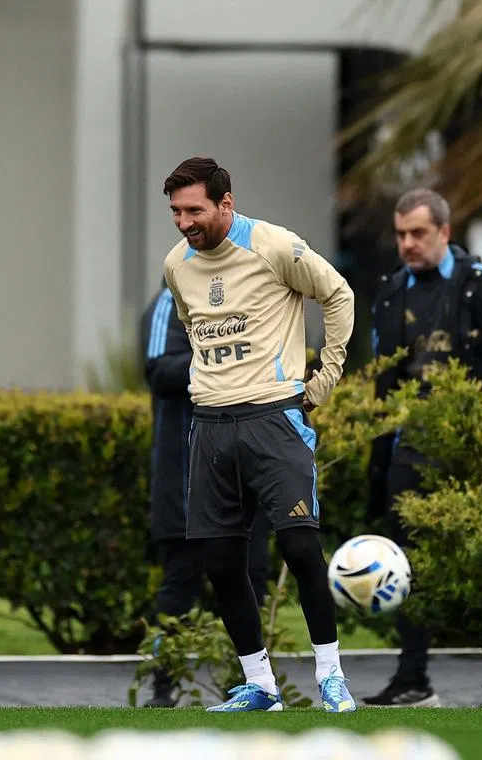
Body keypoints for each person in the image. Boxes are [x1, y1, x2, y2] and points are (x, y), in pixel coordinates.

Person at [161, 156, 356, 713]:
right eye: (175, 212)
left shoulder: (272, 245)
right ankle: (261, 687)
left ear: (226, 201)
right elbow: (191, 324)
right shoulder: (178, 264)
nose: (183, 223)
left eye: (194, 210)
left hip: (274, 419)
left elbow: (338, 294)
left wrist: (325, 376)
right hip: (211, 427)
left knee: (299, 546)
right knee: (221, 564)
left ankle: (331, 678)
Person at [366, 188, 482, 708]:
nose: (408, 243)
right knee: (408, 565)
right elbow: (382, 381)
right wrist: (377, 457)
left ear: (445, 233)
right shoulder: (387, 292)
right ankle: (413, 679)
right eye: (401, 233)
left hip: (477, 443)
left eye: (419, 233)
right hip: (410, 444)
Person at [138, 279, 272, 708]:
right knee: (180, 586)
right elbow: (158, 368)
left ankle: (254, 684)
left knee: (252, 578)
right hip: (185, 478)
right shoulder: (168, 301)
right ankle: (162, 688)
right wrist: (222, 359)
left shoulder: (248, 297)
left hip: (245, 475)